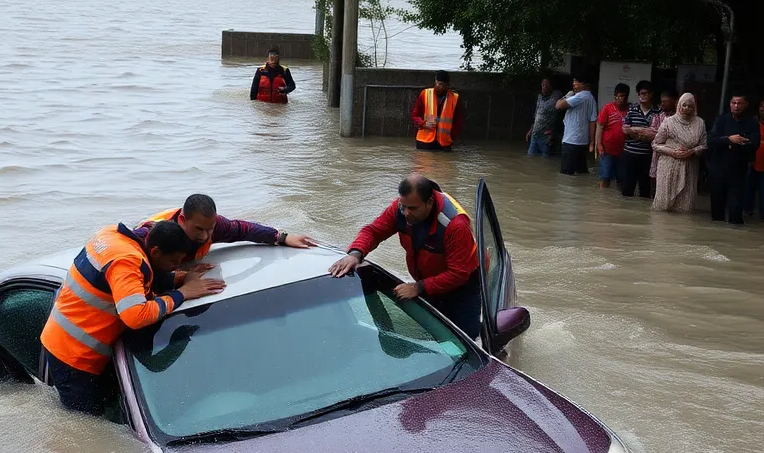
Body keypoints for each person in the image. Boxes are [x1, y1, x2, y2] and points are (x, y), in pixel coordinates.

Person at [39, 221, 225, 415]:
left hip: (66, 341)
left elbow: (127, 282)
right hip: (74, 358)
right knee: (85, 423)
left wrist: (178, 278)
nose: (175, 267)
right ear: (154, 251)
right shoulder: (127, 261)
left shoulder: (113, 235)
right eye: (173, 262)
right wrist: (182, 294)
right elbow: (136, 316)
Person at [327, 174, 481, 337]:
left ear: (429, 203)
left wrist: (419, 287)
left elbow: (458, 274)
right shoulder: (401, 208)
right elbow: (374, 231)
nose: (406, 213)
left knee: (466, 338)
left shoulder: (455, 225)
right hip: (429, 280)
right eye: (403, 206)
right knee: (438, 334)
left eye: (412, 208)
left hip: (462, 288)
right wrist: (355, 254)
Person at [135, 194, 314, 265]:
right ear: (182, 220)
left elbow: (244, 229)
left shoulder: (211, 226)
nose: (205, 236)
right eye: (198, 229)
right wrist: (181, 279)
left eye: (210, 229)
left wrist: (283, 237)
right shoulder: (154, 235)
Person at [706, 93, 760, 224]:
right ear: (730, 104)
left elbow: (754, 144)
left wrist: (738, 143)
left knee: (735, 211)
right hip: (718, 170)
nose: (736, 106)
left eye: (739, 103)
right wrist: (729, 140)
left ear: (746, 105)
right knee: (717, 211)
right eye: (733, 103)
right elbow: (710, 140)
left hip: (738, 172)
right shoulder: (721, 120)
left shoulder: (752, 122)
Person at [651, 93, 707, 213]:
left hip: (689, 167)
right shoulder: (668, 122)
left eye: (690, 106)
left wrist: (691, 151)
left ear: (694, 107)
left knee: (685, 207)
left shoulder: (700, 123)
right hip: (668, 167)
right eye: (684, 105)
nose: (687, 108)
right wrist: (673, 152)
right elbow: (655, 144)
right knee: (663, 206)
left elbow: (704, 146)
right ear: (679, 106)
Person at [620, 81, 657, 198]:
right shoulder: (632, 109)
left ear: (651, 94)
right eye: (641, 93)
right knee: (627, 189)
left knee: (645, 190)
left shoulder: (658, 112)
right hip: (630, 153)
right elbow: (626, 130)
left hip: (647, 155)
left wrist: (636, 131)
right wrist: (645, 132)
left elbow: (656, 134)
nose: (643, 96)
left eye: (646, 93)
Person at [555, 75, 597, 175]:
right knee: (581, 174)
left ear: (584, 84)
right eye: (573, 81)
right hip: (582, 142)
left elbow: (558, 105)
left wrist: (567, 96)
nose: (574, 84)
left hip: (571, 141)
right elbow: (592, 122)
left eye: (576, 81)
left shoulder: (579, 96)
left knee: (565, 176)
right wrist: (591, 142)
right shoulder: (591, 98)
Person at [412, 71, 462, 151]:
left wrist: (452, 137)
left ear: (448, 85)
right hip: (424, 141)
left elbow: (458, 121)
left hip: (444, 143)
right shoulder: (425, 94)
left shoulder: (455, 98)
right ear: (435, 82)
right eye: (439, 84)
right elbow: (415, 115)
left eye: (444, 85)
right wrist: (423, 124)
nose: (441, 87)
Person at [595, 83, 630, 189]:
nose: (622, 99)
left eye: (624, 96)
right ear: (615, 96)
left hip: (623, 151)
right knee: (605, 177)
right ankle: (603, 199)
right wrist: (599, 144)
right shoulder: (607, 108)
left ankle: (619, 202)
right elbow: (600, 126)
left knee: (621, 178)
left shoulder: (631, 109)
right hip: (607, 150)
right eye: (620, 96)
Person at [648, 88, 678, 194]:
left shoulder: (680, 118)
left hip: (674, 161)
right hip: (657, 160)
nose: (662, 104)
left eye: (665, 102)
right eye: (661, 102)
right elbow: (651, 134)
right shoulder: (658, 117)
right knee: (654, 191)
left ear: (675, 101)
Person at [526, 77, 562, 157]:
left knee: (546, 160)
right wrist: (530, 130)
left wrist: (553, 133)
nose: (544, 86)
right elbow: (536, 117)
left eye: (546, 84)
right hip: (535, 135)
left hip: (546, 137)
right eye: (542, 84)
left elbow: (560, 118)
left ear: (551, 86)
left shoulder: (556, 97)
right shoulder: (540, 98)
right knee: (530, 157)